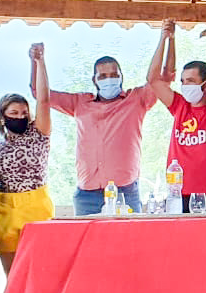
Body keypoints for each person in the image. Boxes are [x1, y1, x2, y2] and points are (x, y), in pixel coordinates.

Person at [42, 41, 161, 215]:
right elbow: (41, 94)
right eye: (103, 76)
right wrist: (38, 61)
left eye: (114, 75)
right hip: (87, 194)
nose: (109, 79)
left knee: (130, 233)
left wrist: (166, 38)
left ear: (121, 76)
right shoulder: (80, 103)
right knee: (87, 234)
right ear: (95, 80)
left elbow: (158, 80)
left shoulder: (136, 100)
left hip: (124, 191)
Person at [150, 22, 206, 212]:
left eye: (190, 81)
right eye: (182, 81)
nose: (184, 85)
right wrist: (166, 39)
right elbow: (154, 80)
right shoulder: (180, 106)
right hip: (177, 196)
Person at [0, 44, 53, 275]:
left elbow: (44, 100)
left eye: (24, 113)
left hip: (35, 208)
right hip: (4, 212)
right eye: (14, 113)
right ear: (2, 118)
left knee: (40, 275)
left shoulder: (38, 133)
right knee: (13, 277)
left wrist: (39, 62)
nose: (20, 117)